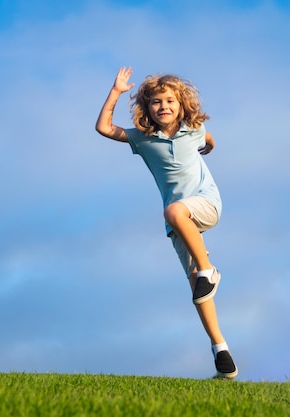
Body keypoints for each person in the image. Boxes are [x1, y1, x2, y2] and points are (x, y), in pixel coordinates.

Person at [95, 66, 238, 379]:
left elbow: (209, 136)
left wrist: (210, 146)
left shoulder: (194, 130)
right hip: (179, 224)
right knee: (199, 292)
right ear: (147, 108)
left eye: (170, 101)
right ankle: (221, 350)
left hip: (206, 204)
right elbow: (104, 128)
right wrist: (117, 92)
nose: (164, 107)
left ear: (181, 105)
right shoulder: (143, 140)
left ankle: (209, 270)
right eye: (157, 102)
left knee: (174, 211)